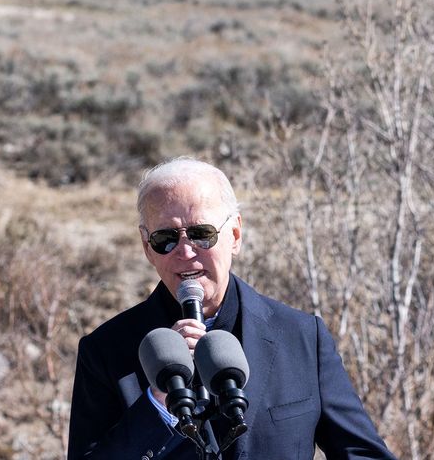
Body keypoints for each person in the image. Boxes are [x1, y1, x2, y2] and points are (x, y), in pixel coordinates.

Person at [67, 157, 396, 459]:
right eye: (165, 238)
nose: (185, 251)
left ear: (235, 235)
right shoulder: (105, 351)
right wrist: (158, 403)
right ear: (147, 247)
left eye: (202, 234)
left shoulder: (302, 336)